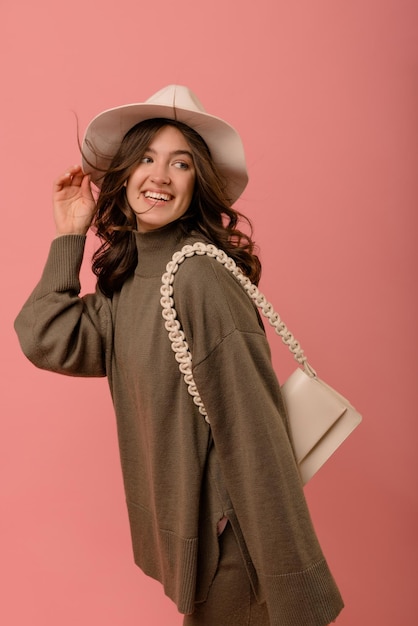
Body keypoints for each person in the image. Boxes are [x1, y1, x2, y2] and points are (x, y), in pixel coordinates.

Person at [14, 85, 344, 625]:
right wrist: (69, 237)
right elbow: (45, 335)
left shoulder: (199, 278)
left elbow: (256, 434)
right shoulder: (130, 282)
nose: (160, 176)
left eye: (181, 163)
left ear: (198, 185)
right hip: (202, 547)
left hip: (234, 550)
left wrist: (293, 587)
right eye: (146, 158)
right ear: (122, 176)